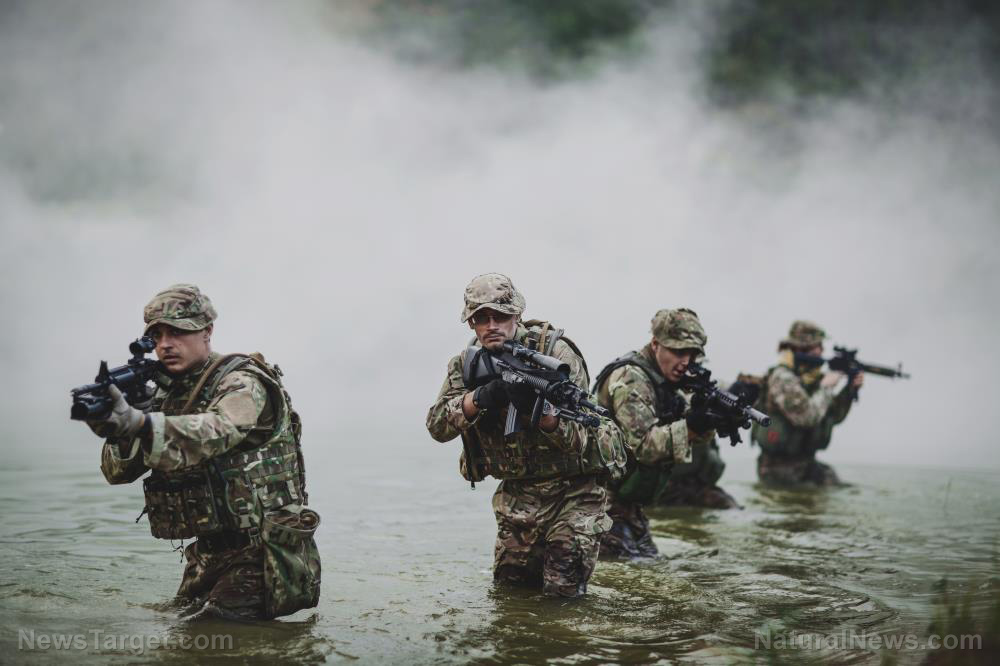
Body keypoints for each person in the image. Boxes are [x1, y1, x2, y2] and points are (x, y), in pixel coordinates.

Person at [85, 284, 321, 620]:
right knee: (173, 629)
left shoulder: (241, 382)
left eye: (178, 332)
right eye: (157, 336)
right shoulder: (165, 395)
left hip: (263, 555)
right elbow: (116, 473)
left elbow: (218, 430)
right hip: (206, 556)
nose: (165, 344)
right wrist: (124, 430)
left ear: (207, 331)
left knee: (209, 636)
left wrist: (142, 424)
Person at [425, 273, 627, 597]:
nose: (491, 325)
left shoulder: (556, 355)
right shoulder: (467, 364)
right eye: (481, 318)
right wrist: (480, 398)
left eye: (500, 316)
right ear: (471, 323)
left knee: (563, 598)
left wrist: (542, 414)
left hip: (574, 492)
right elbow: (437, 426)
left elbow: (581, 438)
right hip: (518, 496)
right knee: (510, 598)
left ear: (517, 315)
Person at [593, 308, 738, 559]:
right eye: (678, 352)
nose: (686, 361)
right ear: (655, 344)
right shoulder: (631, 378)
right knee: (632, 573)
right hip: (601, 505)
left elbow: (687, 431)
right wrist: (692, 426)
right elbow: (643, 445)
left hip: (628, 506)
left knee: (652, 566)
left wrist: (710, 419)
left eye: (692, 354)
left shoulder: (667, 381)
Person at [752, 320, 864, 486]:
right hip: (777, 468)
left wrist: (849, 390)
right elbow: (807, 417)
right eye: (817, 346)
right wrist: (826, 387)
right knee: (804, 498)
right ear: (801, 347)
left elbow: (833, 417)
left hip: (806, 464)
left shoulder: (813, 379)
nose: (822, 351)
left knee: (844, 489)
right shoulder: (782, 377)